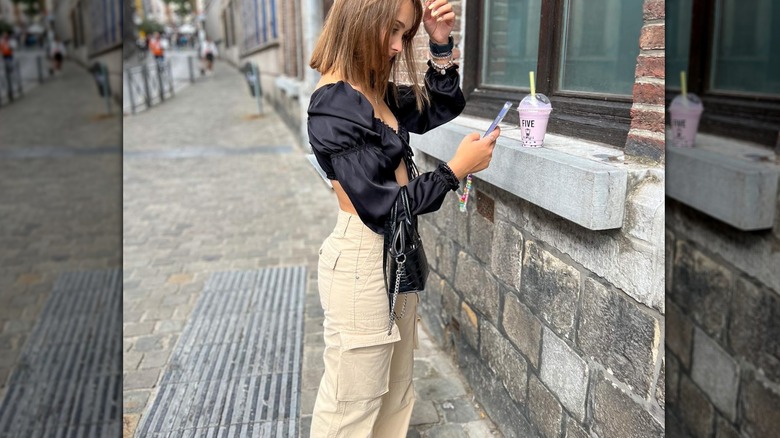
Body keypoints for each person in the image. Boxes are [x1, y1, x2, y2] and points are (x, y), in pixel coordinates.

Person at [307, 0, 499, 436]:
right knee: (351, 404)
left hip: (397, 255)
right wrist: (455, 171)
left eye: (405, 35)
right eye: (393, 31)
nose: (397, 47)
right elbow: (383, 206)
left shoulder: (374, 91)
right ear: (360, 20)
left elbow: (440, 108)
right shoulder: (334, 104)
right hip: (362, 259)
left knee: (395, 391)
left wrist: (439, 42)